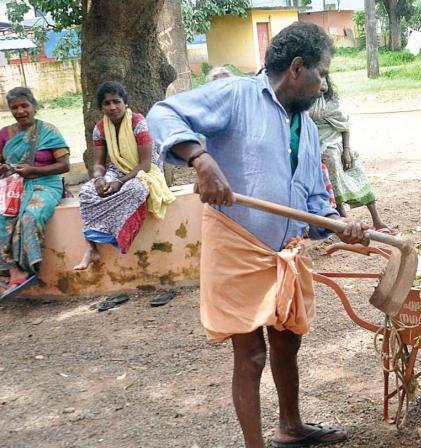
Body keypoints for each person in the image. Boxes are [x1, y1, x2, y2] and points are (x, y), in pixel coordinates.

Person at [147, 22, 367, 448]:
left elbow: (314, 198)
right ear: (298, 68)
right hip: (235, 245)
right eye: (322, 74)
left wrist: (341, 225)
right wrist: (201, 158)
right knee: (251, 356)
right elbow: (163, 112)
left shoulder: (306, 128)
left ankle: (291, 427)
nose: (324, 86)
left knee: (287, 346)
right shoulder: (238, 95)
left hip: (285, 253)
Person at [0, 87, 70, 301]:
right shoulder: (5, 134)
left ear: (34, 107)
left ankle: (26, 270)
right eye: (14, 107)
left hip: (45, 184)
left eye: (24, 106)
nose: (20, 111)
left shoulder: (48, 131)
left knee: (29, 217)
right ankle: (7, 271)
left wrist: (34, 170)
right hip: (14, 186)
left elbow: (64, 166)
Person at [73, 81, 175, 270]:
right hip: (117, 170)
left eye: (116, 101)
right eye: (107, 103)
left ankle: (115, 234)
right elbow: (99, 163)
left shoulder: (138, 123)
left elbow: (145, 163)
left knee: (135, 189)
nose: (112, 107)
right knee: (87, 192)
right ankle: (91, 247)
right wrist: (98, 179)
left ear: (125, 103)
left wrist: (119, 182)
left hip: (144, 171)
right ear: (101, 107)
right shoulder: (100, 128)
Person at [310, 74, 393, 232]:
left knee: (358, 173)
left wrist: (346, 150)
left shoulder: (331, 102)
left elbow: (344, 126)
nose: (322, 85)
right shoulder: (305, 104)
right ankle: (344, 223)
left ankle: (377, 220)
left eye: (324, 79)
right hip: (321, 148)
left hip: (338, 144)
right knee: (331, 165)